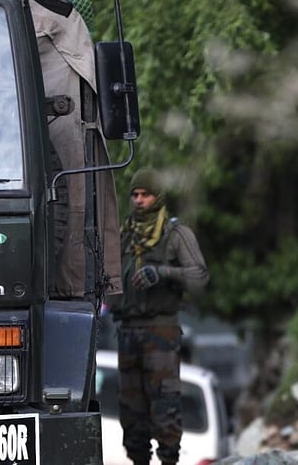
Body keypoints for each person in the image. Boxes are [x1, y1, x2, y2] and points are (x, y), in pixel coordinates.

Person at [107, 167, 210, 465]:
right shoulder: (124, 234)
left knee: (164, 405)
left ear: (158, 197)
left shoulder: (176, 234)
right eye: (135, 195)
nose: (139, 201)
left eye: (146, 194)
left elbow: (199, 275)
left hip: (160, 330)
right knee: (130, 411)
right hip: (127, 331)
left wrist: (162, 273)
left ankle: (168, 460)